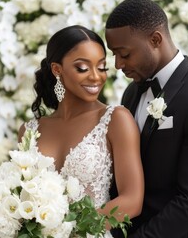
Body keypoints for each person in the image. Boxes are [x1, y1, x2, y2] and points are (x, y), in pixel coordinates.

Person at [105, 0, 188, 237]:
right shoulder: (132, 92)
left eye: (124, 54)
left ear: (155, 40)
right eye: (114, 55)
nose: (117, 64)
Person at [17, 25, 144, 236]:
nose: (96, 77)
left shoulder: (116, 120)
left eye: (102, 67)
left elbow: (132, 201)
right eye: (83, 68)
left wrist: (71, 232)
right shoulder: (29, 131)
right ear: (57, 69)